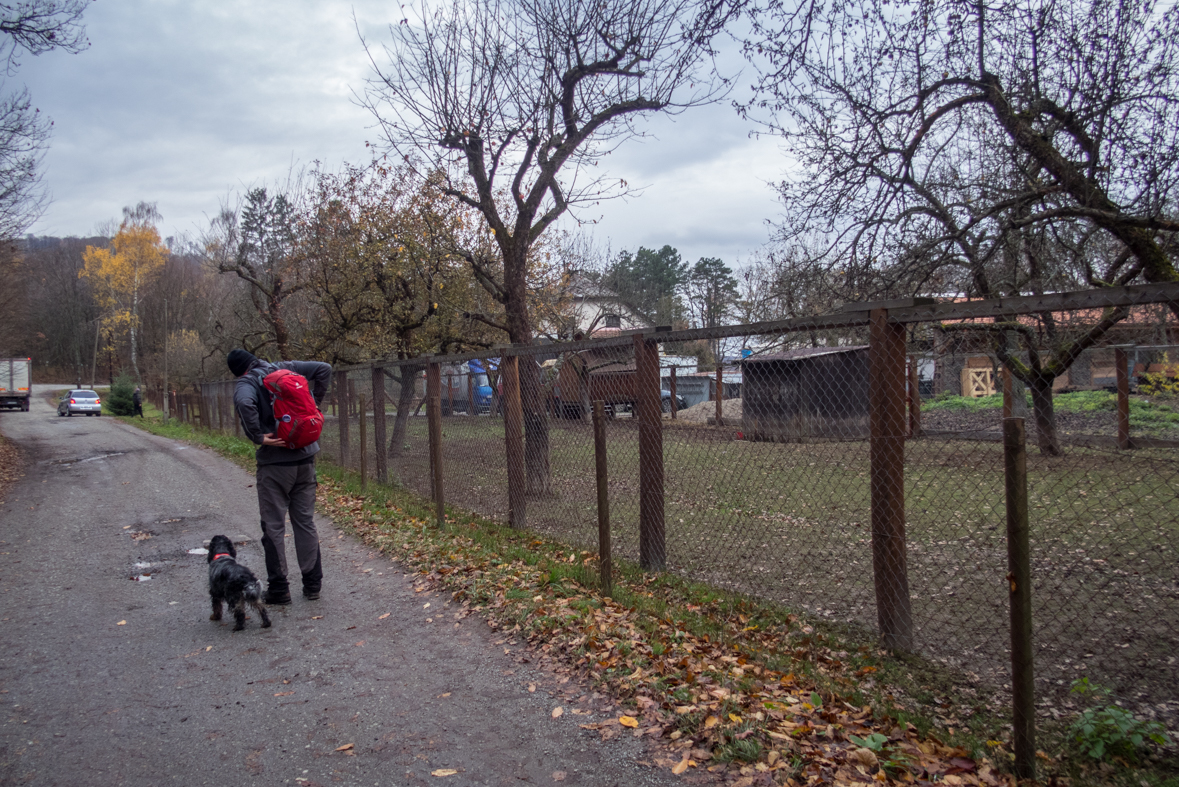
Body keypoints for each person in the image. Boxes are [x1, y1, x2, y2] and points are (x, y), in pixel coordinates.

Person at [227, 348, 332, 605]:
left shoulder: (247, 381)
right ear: (254, 359)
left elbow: (244, 403)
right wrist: (313, 408)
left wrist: (258, 436)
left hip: (275, 465)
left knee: (274, 526)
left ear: (238, 370)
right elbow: (324, 369)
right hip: (306, 459)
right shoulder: (284, 366)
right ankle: (312, 584)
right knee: (305, 521)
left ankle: (279, 589)